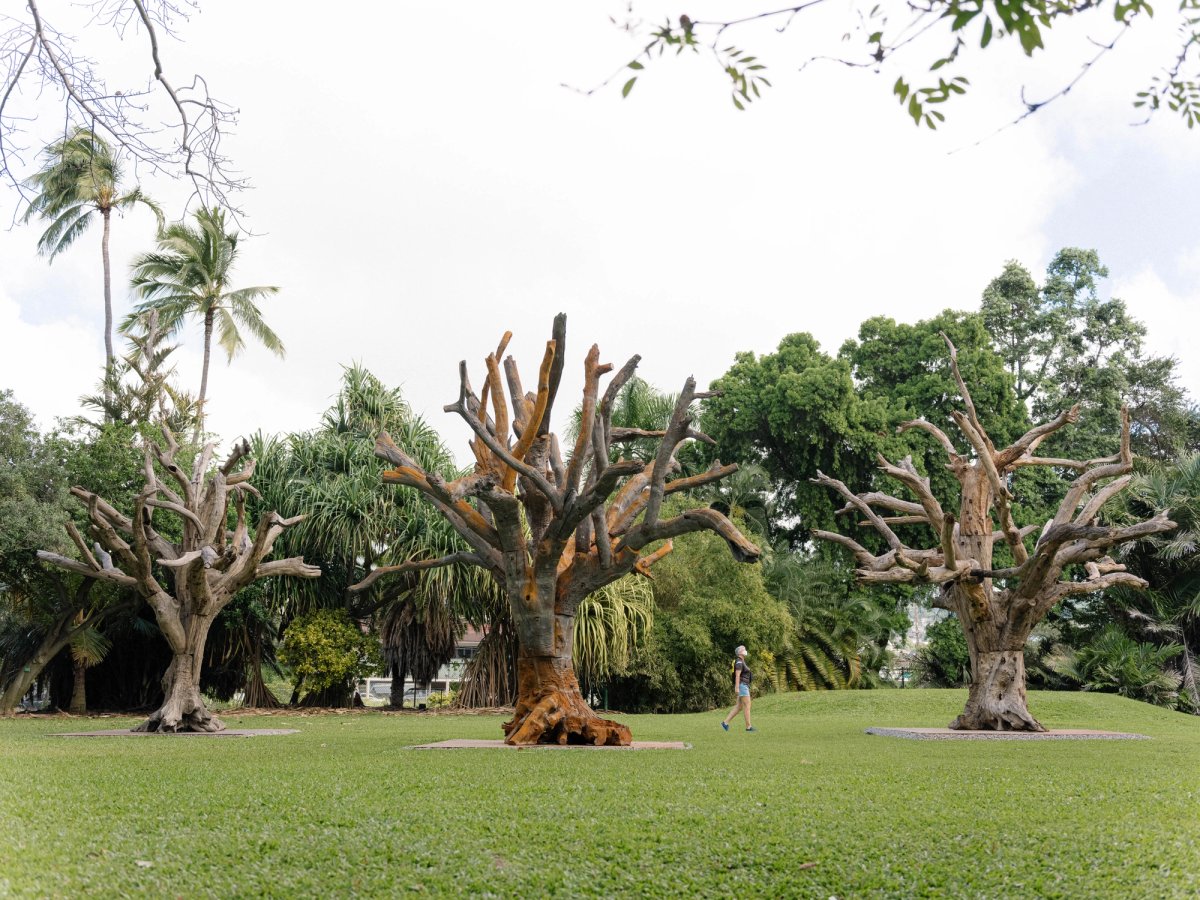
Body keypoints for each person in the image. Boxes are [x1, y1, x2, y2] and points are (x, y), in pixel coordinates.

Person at [721, 644, 756, 732]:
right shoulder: (739, 662)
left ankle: (725, 723)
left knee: (739, 706)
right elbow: (737, 675)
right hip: (742, 685)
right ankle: (749, 727)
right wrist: (737, 688)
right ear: (739, 652)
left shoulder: (741, 661)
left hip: (743, 685)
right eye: (743, 649)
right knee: (747, 705)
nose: (745, 649)